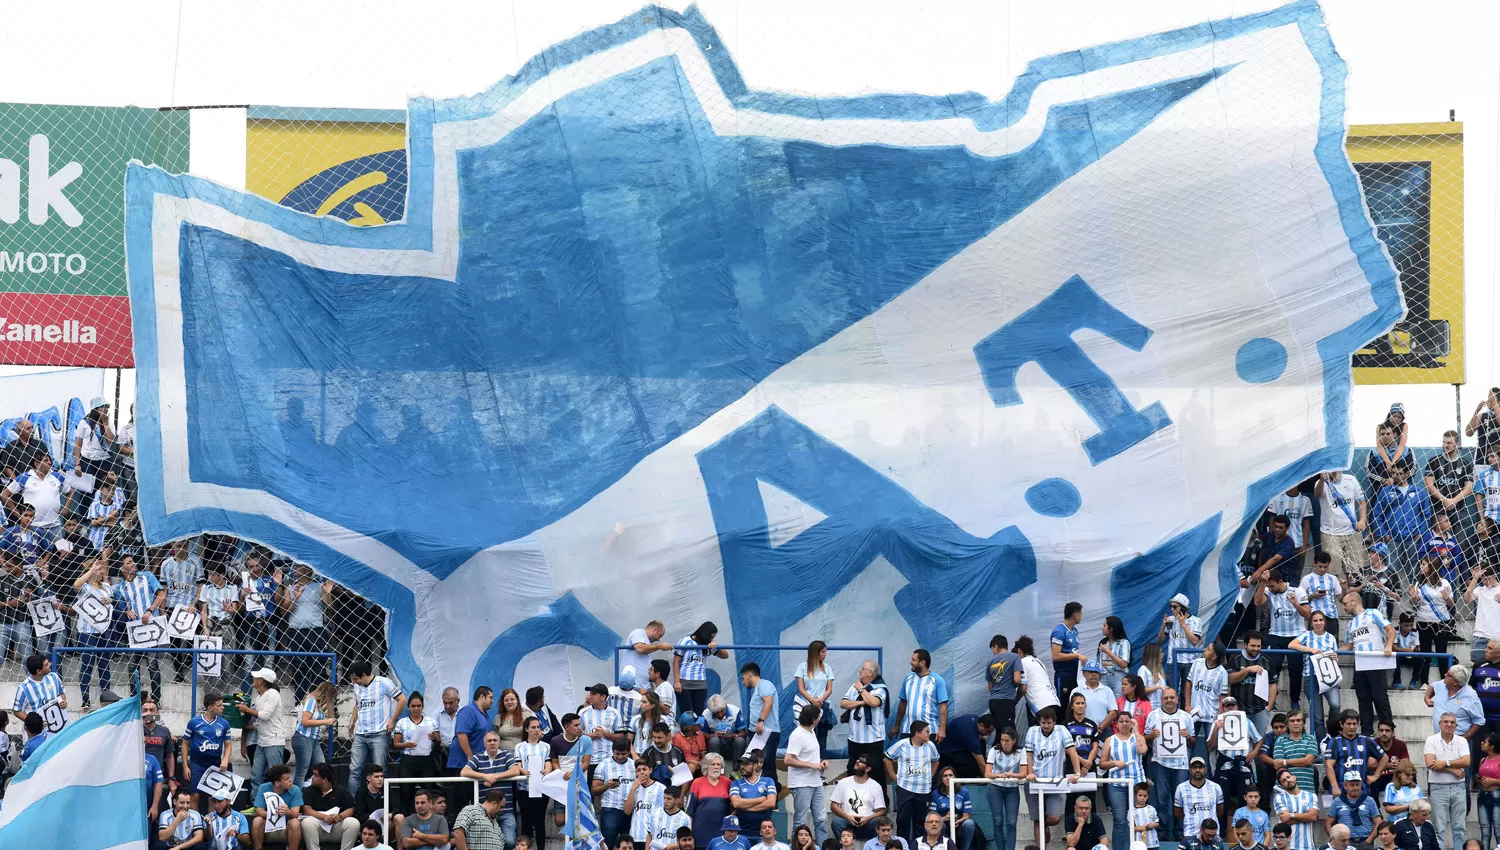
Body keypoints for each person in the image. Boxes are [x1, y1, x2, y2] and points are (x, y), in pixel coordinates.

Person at [1343, 589, 1395, 734]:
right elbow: (1348, 645)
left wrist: (1388, 645)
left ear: (1353, 602)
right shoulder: (1351, 623)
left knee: (1380, 697)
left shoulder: (1373, 613)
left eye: (1345, 604)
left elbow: (1390, 629)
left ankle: (1388, 729)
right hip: (1360, 663)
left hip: (1375, 661)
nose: (1344, 608)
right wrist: (1332, 652)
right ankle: (1367, 732)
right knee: (1363, 699)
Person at [1145, 688, 1194, 841]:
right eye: (1166, 698)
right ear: (1161, 699)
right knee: (1162, 798)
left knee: (1180, 798)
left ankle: (1179, 831)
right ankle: (1163, 832)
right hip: (1160, 763)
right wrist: (1152, 735)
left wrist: (1187, 737)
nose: (1169, 700)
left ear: (1177, 699)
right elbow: (1145, 739)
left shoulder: (1186, 717)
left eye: (1172, 697)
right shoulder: (1153, 715)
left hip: (1181, 764)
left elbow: (1193, 742)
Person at [461, 731, 522, 847]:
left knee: (509, 842)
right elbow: (464, 772)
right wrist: (484, 776)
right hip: (485, 813)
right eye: (489, 741)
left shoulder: (506, 755)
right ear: (485, 744)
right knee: (484, 843)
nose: (492, 743)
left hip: (506, 810)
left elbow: (515, 770)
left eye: (495, 740)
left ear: (499, 742)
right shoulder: (477, 757)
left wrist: (496, 777)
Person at [886, 720, 940, 843]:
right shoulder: (902, 744)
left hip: (924, 790)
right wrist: (893, 775)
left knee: (920, 823)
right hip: (905, 788)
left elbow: (936, 760)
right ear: (917, 733)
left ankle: (918, 847)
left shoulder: (930, 746)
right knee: (903, 821)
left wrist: (931, 775)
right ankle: (902, 846)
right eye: (927, 732)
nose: (929, 734)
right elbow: (888, 757)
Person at [1099, 712, 1147, 850]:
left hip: (1136, 784)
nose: (1124, 723)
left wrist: (1137, 730)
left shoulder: (1137, 737)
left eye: (1127, 721)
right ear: (1117, 723)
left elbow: (1142, 750)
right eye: (1121, 721)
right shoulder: (1110, 740)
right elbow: (1102, 763)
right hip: (1117, 785)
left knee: (1137, 819)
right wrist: (1114, 763)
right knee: (1119, 820)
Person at [1424, 712, 1469, 850]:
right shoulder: (1431, 740)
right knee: (1438, 829)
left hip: (1458, 787)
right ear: (1440, 724)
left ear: (1456, 725)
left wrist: (1445, 763)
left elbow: (1466, 761)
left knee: (1460, 828)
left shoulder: (1462, 741)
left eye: (1452, 722)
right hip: (1438, 788)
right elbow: (1430, 764)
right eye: (1446, 722)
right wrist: (1454, 770)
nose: (1449, 725)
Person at [393, 691, 443, 814]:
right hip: (408, 761)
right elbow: (395, 744)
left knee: (427, 794)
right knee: (405, 794)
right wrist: (406, 745)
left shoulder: (431, 721)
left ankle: (428, 822)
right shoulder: (402, 722)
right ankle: (404, 823)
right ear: (408, 707)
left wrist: (434, 739)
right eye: (413, 706)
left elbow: (439, 742)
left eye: (418, 706)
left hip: (426, 761)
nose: (416, 709)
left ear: (422, 706)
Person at [1409, 559, 1457, 687]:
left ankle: (1445, 682)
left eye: (1423, 564)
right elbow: (1415, 603)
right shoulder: (1419, 583)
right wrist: (1413, 596)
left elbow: (1451, 604)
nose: (1421, 566)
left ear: (1432, 566)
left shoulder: (1444, 582)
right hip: (1423, 621)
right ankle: (1424, 682)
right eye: (1421, 563)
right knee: (1425, 653)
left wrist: (1447, 597)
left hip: (1441, 622)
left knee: (1442, 653)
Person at [181, 692, 233, 810]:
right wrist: (185, 766)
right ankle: (195, 825)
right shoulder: (194, 722)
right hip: (197, 763)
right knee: (194, 795)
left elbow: (228, 745)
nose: (223, 707)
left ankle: (210, 826)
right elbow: (185, 743)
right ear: (210, 707)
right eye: (219, 705)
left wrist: (225, 760)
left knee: (213, 797)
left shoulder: (224, 724)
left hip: (215, 764)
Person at [1316, 470, 1369, 585]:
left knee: (1354, 570)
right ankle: (1333, 600)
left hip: (1352, 533)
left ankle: (1351, 598)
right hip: (1330, 534)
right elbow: (1317, 495)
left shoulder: (1351, 480)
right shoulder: (1321, 484)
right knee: (1332, 571)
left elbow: (1361, 501)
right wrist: (1321, 480)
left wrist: (1362, 520)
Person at [241, 667, 289, 792]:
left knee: (276, 776)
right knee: (256, 775)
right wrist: (247, 726)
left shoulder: (273, 694)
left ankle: (277, 803)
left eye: (256, 677)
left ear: (262, 681)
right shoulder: (259, 698)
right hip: (261, 742)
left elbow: (264, 715)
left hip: (273, 741)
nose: (253, 679)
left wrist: (246, 709)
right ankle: (256, 803)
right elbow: (259, 722)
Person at [787, 704, 830, 844]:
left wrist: (820, 762)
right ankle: (797, 847)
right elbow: (788, 759)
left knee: (821, 819)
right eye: (818, 717)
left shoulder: (811, 732)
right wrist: (812, 765)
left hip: (815, 782)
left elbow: (808, 756)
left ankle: (823, 846)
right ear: (814, 720)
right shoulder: (798, 735)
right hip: (801, 783)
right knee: (800, 821)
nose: (819, 719)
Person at [841, 661, 889, 785]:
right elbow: (844, 703)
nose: (860, 671)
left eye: (863, 669)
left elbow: (874, 702)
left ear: (870, 672)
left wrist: (861, 690)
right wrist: (861, 702)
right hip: (855, 738)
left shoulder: (880, 688)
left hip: (873, 739)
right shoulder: (854, 686)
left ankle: (881, 802)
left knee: (876, 771)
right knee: (853, 768)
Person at [448, 686, 494, 810]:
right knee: (460, 804)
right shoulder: (468, 711)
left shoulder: (485, 715)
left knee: (476, 803)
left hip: (476, 767)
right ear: (482, 697)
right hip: (461, 764)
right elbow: (462, 734)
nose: (492, 701)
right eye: (490, 697)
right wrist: (470, 757)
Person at [1289, 612, 1342, 720]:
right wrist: (1311, 650)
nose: (1318, 623)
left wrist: (1335, 657)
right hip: (1311, 676)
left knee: (1335, 705)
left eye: (1321, 620)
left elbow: (1336, 657)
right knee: (1317, 716)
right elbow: (1291, 644)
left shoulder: (1331, 637)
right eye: (1315, 620)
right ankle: (1320, 737)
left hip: (1329, 676)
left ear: (1325, 622)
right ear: (1311, 623)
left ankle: (1331, 729)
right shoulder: (1306, 635)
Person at [1322, 711, 1387, 798]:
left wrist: (1375, 776)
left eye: (1354, 724)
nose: (1352, 727)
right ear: (1341, 724)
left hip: (1362, 791)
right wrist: (1334, 786)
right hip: (1341, 790)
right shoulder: (1334, 742)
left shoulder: (1366, 741)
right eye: (1348, 724)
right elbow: (1329, 765)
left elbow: (1384, 758)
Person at [890, 650, 949, 744]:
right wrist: (897, 726)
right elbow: (902, 703)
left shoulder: (937, 680)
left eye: (913, 660)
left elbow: (943, 707)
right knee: (906, 758)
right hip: (908, 730)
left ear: (922, 662)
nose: (910, 662)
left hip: (929, 731)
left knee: (928, 758)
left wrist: (942, 729)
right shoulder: (908, 678)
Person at [299, 763, 359, 850]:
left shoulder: (341, 790)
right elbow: (306, 810)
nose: (312, 777)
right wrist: (324, 817)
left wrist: (340, 816)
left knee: (353, 823)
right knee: (307, 822)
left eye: (315, 775)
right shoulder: (309, 790)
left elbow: (351, 808)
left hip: (336, 827)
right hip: (317, 827)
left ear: (324, 779)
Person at [1185, 642, 1229, 757]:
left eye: (1208, 649)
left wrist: (1220, 716)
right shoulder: (1197, 663)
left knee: (1210, 748)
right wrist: (1187, 705)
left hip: (1211, 715)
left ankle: (1209, 774)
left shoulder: (1222, 673)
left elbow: (1222, 697)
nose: (1205, 649)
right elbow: (1188, 683)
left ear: (1214, 656)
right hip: (1194, 712)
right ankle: (1186, 773)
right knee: (1188, 743)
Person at [673, 621, 727, 718]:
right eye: (711, 636)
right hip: (685, 681)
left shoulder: (708, 644)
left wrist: (716, 646)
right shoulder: (686, 641)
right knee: (686, 713)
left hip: (701, 683)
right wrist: (677, 681)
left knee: (699, 712)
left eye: (713, 637)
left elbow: (725, 656)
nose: (712, 639)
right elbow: (676, 661)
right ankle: (686, 732)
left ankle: (698, 732)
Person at [833, 753, 889, 842]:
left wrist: (868, 818)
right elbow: (834, 806)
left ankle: (876, 846)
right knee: (836, 822)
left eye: (861, 761)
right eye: (858, 759)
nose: (857, 762)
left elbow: (882, 810)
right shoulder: (844, 782)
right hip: (848, 823)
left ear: (868, 768)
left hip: (868, 823)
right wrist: (847, 817)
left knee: (879, 821)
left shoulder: (875, 786)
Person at [793, 640, 837, 751]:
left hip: (823, 705)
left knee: (822, 736)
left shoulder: (827, 668)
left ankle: (820, 761)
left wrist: (821, 699)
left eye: (825, 652)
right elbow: (801, 688)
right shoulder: (802, 667)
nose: (825, 654)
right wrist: (812, 700)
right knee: (806, 734)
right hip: (806, 706)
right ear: (815, 653)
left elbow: (829, 689)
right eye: (823, 652)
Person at [985, 729, 1024, 850]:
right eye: (1002, 740)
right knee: (997, 821)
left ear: (1014, 741)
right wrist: (1000, 776)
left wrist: (1014, 775)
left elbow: (1024, 773)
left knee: (1011, 822)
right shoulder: (994, 750)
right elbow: (987, 773)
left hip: (1012, 789)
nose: (1004, 743)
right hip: (995, 787)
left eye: (1007, 740)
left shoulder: (1020, 751)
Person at [739, 663, 780, 779]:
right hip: (757, 732)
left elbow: (768, 702)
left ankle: (772, 794)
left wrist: (761, 721)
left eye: (743, 678)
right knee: (753, 764)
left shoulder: (765, 685)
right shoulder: (758, 689)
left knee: (767, 764)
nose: (743, 682)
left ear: (749, 675)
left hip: (766, 731)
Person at [294, 682, 338, 790]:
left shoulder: (317, 704)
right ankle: (296, 799)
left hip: (313, 739)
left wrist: (328, 706)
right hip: (303, 738)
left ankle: (312, 790)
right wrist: (326, 721)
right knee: (302, 771)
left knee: (322, 767)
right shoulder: (311, 701)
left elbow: (320, 716)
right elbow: (305, 721)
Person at [252, 764, 305, 850]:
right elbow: (259, 811)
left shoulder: (295, 789)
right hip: (269, 825)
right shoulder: (263, 788)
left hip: (287, 826)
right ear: (277, 783)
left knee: (295, 822)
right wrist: (275, 814)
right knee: (257, 820)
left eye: (290, 777)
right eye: (287, 779)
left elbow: (295, 814)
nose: (291, 780)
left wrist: (288, 812)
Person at [596, 739, 637, 847]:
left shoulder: (634, 766)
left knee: (628, 845)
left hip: (630, 810)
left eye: (623, 754)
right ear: (612, 750)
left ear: (629, 752)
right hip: (610, 809)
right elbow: (594, 790)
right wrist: (607, 786)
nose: (619, 756)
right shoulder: (603, 765)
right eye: (617, 753)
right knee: (607, 844)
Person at [1228, 632, 1272, 733]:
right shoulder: (1235, 658)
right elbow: (1231, 679)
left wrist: (1268, 707)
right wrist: (1247, 670)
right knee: (1241, 744)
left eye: (1258, 646)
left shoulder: (1266, 660)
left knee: (1259, 742)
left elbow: (1273, 684)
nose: (1256, 649)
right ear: (1245, 645)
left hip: (1260, 710)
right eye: (1253, 646)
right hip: (1239, 709)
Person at [688, 752, 734, 847]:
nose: (716, 767)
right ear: (706, 767)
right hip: (700, 833)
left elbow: (733, 808)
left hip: (721, 834)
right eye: (713, 764)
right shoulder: (697, 783)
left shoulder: (728, 782)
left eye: (718, 764)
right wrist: (690, 834)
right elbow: (690, 812)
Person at [1177, 756, 1226, 844]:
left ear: (1205, 769)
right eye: (1194, 767)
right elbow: (1178, 812)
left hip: (1212, 836)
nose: (1198, 770)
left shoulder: (1215, 787)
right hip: (1190, 834)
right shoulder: (1181, 788)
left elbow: (1220, 811)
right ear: (1190, 770)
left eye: (1200, 767)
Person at [1326, 770, 1382, 847]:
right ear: (1345, 786)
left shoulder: (1369, 800)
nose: (1355, 787)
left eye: (1357, 785)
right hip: (1345, 843)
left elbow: (1378, 823)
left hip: (1365, 841)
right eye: (1352, 785)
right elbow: (1328, 823)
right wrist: (1335, 840)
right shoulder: (1338, 801)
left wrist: (1369, 840)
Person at [926, 765, 975, 850]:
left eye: (950, 775)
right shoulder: (936, 793)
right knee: (940, 824)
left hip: (959, 821)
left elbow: (967, 815)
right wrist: (944, 818)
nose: (948, 778)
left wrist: (959, 821)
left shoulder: (964, 792)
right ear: (941, 779)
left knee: (969, 824)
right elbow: (932, 816)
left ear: (955, 777)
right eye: (945, 776)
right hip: (943, 821)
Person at [582, 682, 627, 771]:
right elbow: (575, 735)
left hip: (610, 759)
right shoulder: (583, 712)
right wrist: (589, 736)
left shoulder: (614, 713)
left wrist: (606, 734)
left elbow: (622, 736)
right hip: (590, 760)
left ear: (603, 697)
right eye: (590, 693)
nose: (590, 696)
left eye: (593, 694)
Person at [729, 752, 777, 836]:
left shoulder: (768, 781)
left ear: (755, 766)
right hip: (741, 832)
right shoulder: (736, 783)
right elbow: (736, 803)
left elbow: (771, 803)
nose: (742, 767)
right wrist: (760, 799)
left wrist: (743, 807)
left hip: (763, 833)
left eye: (746, 764)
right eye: (741, 764)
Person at [1015, 636, 1059, 723]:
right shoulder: (1039, 662)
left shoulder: (1022, 662)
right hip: (1054, 701)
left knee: (1041, 733)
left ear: (1019, 651)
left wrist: (1014, 701)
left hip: (1040, 705)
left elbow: (1023, 688)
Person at [1272, 769, 1318, 850]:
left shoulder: (1311, 796)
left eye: (1288, 777)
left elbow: (1313, 816)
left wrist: (1291, 815)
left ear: (1294, 777)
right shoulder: (1279, 798)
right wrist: (1307, 816)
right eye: (1284, 780)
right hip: (1287, 846)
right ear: (1282, 786)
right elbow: (1286, 820)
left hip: (1307, 846)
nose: (1288, 780)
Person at [936, 713, 993, 779]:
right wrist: (988, 781)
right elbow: (981, 765)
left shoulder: (974, 717)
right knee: (972, 765)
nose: (989, 735)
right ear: (981, 725)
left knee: (982, 742)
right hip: (947, 753)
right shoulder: (971, 737)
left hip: (955, 744)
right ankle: (966, 782)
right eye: (988, 731)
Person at [1051, 602, 1087, 705]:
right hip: (1064, 676)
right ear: (1075, 615)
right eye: (1080, 614)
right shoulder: (1059, 631)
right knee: (1064, 705)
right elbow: (1055, 655)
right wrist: (1077, 655)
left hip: (1076, 675)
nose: (1081, 617)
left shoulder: (1074, 630)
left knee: (1075, 704)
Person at [987, 636, 1023, 734]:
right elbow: (1017, 679)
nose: (993, 652)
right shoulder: (1015, 657)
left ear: (996, 646)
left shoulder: (990, 662)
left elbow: (990, 687)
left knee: (1000, 730)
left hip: (993, 701)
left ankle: (998, 748)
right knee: (1008, 732)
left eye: (992, 650)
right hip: (1006, 700)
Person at [624, 621, 674, 688]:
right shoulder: (638, 633)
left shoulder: (647, 643)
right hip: (633, 686)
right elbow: (640, 648)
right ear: (655, 630)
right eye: (660, 636)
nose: (659, 639)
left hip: (644, 686)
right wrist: (659, 646)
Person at [627, 760, 666, 844]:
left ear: (650, 770)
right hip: (635, 837)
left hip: (653, 838)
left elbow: (663, 814)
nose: (641, 772)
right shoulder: (632, 787)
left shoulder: (661, 788)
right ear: (636, 772)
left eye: (644, 769)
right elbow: (627, 811)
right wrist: (633, 789)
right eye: (639, 770)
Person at [703, 694, 747, 768]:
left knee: (740, 741)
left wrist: (734, 735)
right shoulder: (706, 714)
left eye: (722, 711)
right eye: (716, 713)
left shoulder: (735, 711)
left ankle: (736, 770)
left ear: (725, 706)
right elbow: (702, 734)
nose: (720, 715)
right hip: (716, 746)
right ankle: (717, 768)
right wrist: (712, 735)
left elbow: (743, 732)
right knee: (714, 740)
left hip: (731, 744)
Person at [645, 786, 692, 850]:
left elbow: (688, 842)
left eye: (669, 799)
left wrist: (674, 846)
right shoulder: (654, 813)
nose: (665, 801)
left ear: (677, 800)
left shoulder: (685, 819)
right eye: (664, 798)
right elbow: (649, 836)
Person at [1372, 721, 1411, 798]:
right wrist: (1387, 765)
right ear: (1378, 732)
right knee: (1371, 777)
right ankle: (1375, 807)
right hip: (1379, 776)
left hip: (1394, 776)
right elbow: (1369, 764)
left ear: (1393, 733)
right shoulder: (1373, 744)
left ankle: (1410, 799)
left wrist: (1399, 765)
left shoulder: (1400, 744)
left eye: (1387, 731)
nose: (1384, 733)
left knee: (1410, 773)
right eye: (1381, 730)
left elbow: (1406, 762)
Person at [491, 687, 532, 752]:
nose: (509, 702)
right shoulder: (497, 719)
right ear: (503, 702)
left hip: (524, 755)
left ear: (517, 700)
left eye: (512, 699)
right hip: (504, 757)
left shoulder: (527, 715)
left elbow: (536, 734)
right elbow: (494, 739)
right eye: (506, 700)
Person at [1381, 759, 1422, 825]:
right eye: (1407, 774)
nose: (1411, 777)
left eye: (1413, 774)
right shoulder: (1391, 786)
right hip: (1396, 823)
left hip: (1414, 823)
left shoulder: (1417, 787)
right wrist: (1407, 806)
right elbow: (1388, 809)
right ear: (1399, 774)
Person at [1477, 733, 1500, 850]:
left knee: (1498, 829)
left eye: (1485, 741)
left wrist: (1493, 781)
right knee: (1484, 831)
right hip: (1483, 795)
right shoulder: (1483, 760)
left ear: (1492, 746)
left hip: (1497, 795)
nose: (1482, 743)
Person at [1132, 781, 1160, 850]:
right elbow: (1132, 828)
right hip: (1139, 845)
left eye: (1145, 796)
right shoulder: (1132, 811)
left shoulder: (1151, 809)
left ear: (1148, 796)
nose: (1142, 798)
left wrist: (1154, 825)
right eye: (1140, 795)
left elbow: (1157, 823)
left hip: (1153, 843)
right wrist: (1145, 827)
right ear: (1136, 795)